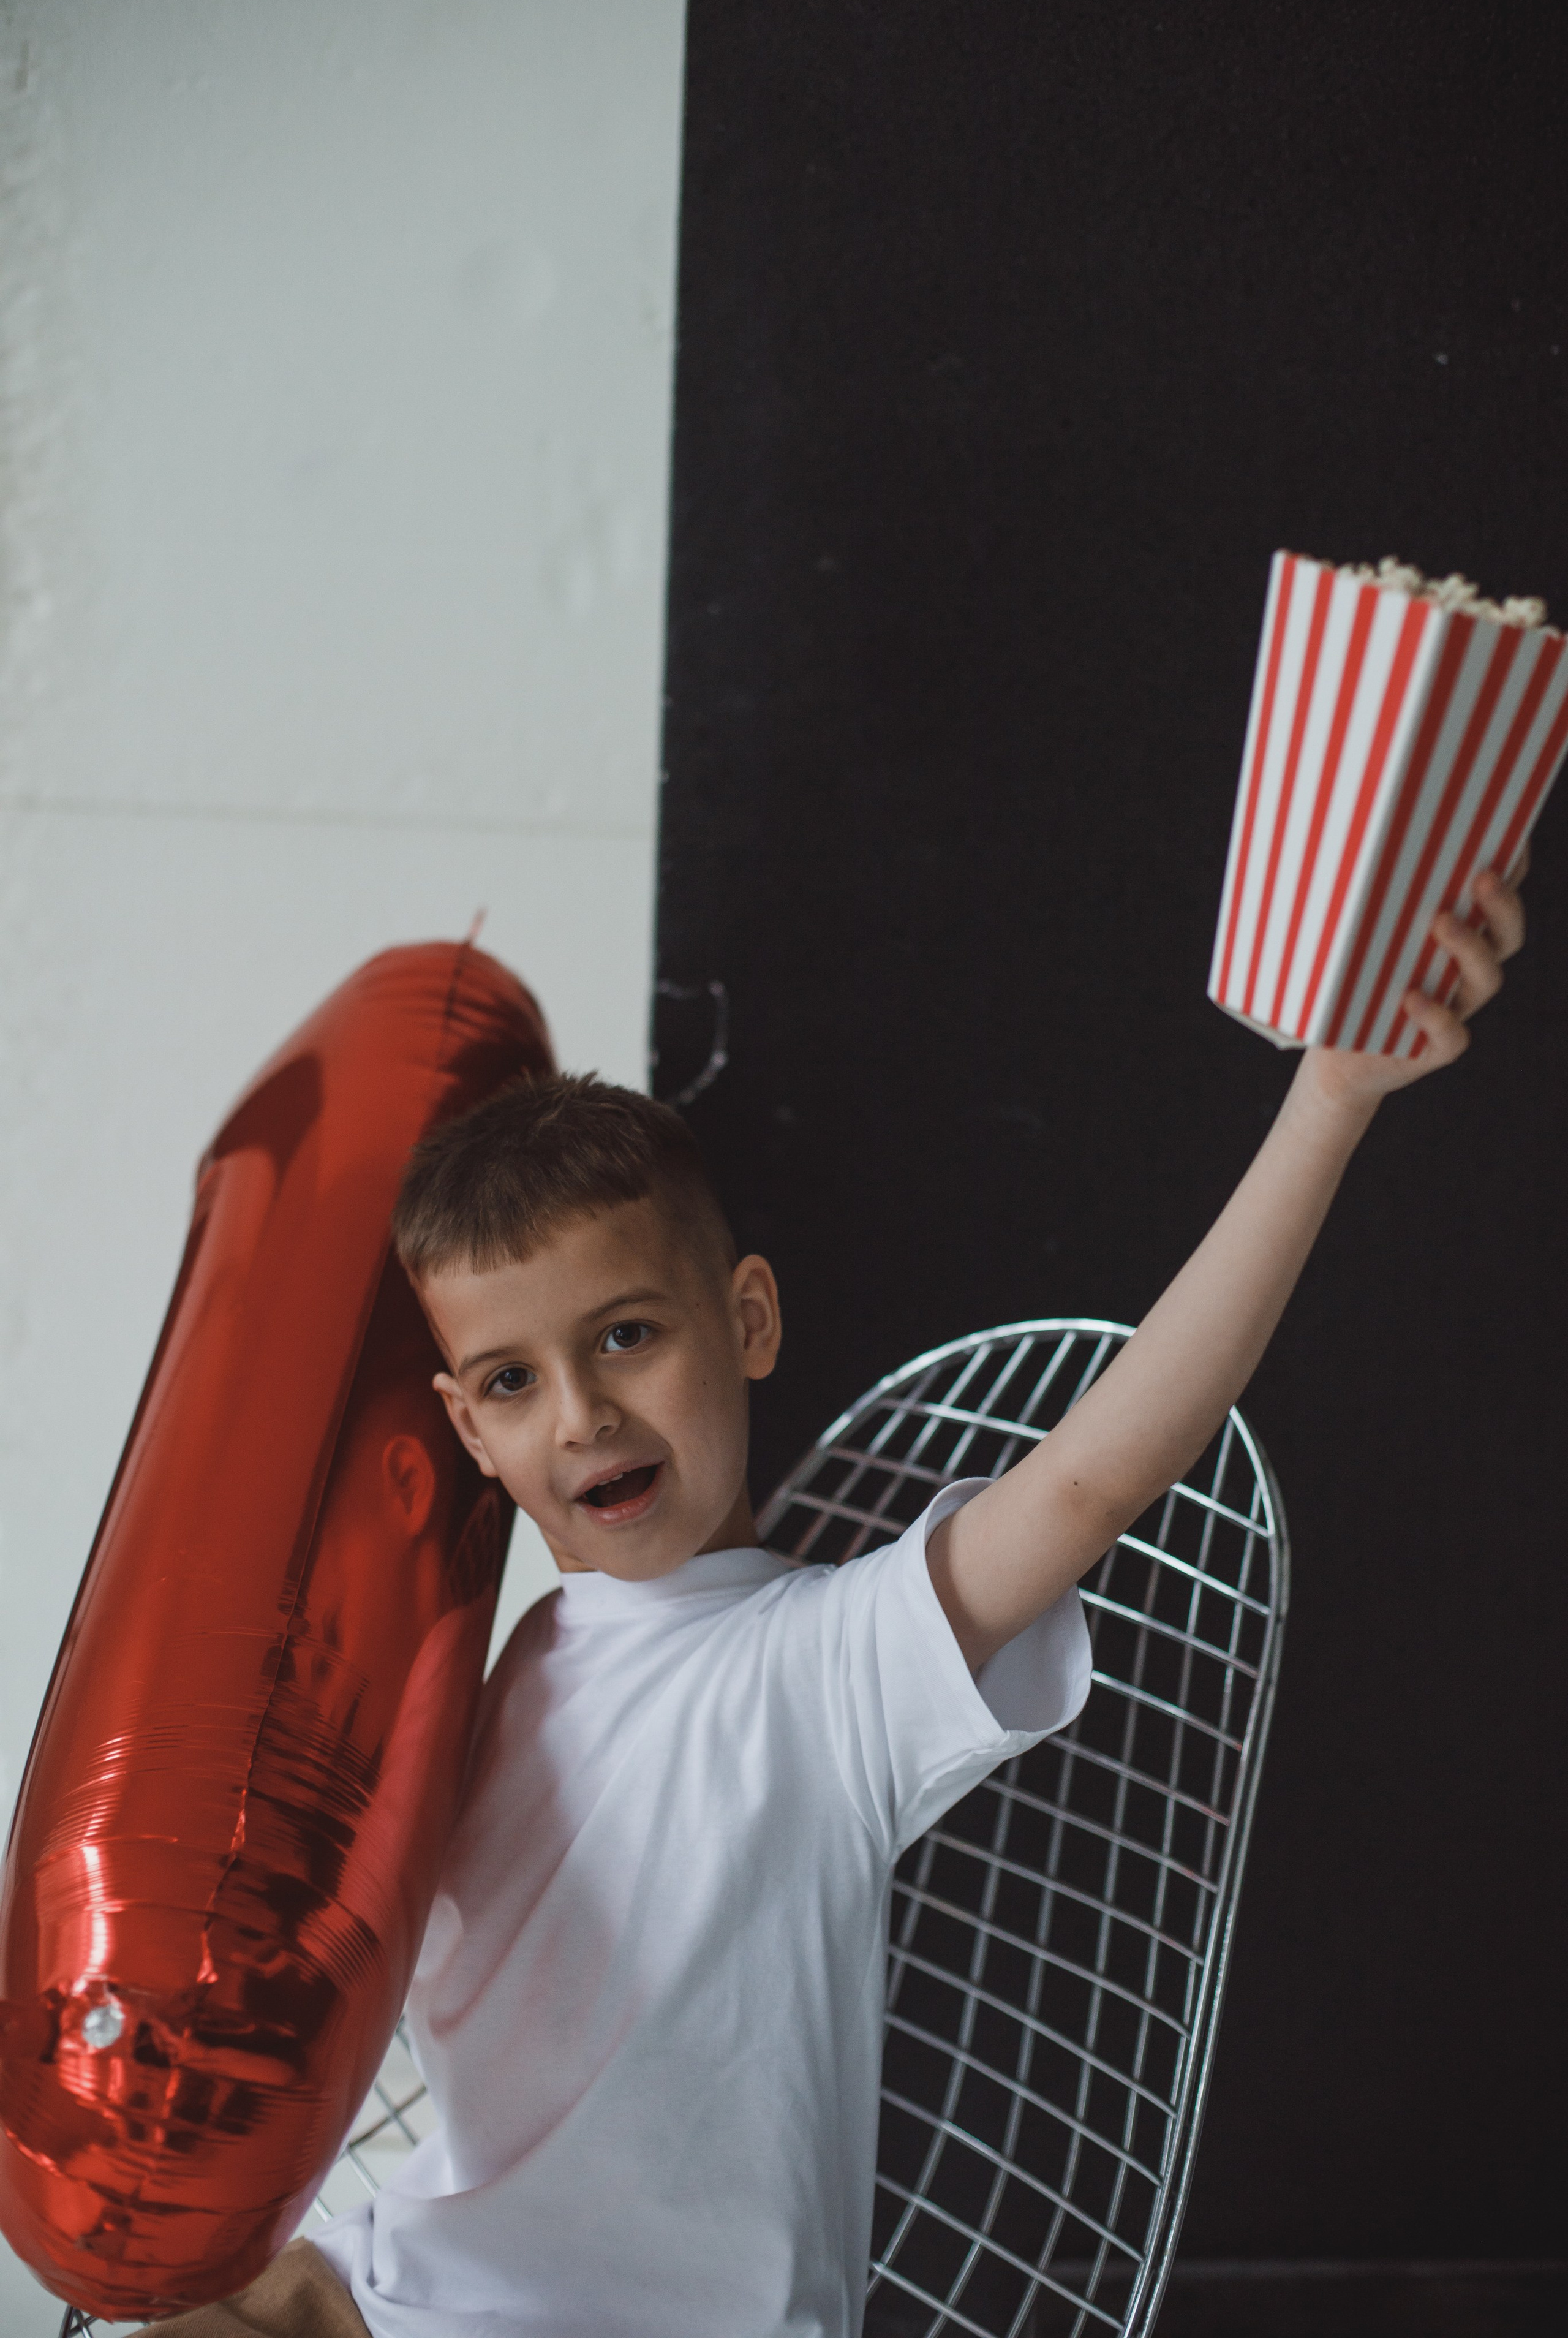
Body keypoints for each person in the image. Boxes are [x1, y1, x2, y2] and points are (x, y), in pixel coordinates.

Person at [148, 872, 1526, 2338]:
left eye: (625, 1335)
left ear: (745, 1319)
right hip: (399, 2284)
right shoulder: (503, 1667)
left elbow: (1094, 1478)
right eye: (511, 1379)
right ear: (466, 1429)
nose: (580, 1415)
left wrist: (1328, 1103)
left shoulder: (823, 1669)